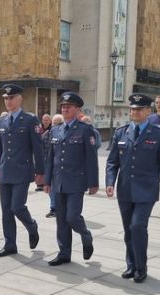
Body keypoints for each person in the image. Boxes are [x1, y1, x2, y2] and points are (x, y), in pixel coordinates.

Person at [106, 93, 160, 283]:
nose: (134, 112)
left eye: (138, 109)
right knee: (128, 230)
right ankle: (131, 265)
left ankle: (141, 267)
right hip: (125, 190)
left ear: (148, 111)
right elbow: (112, 162)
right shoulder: (121, 132)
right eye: (132, 109)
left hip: (146, 190)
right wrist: (110, 182)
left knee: (137, 226)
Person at [44, 92, 98, 265]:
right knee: (61, 220)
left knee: (72, 217)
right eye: (63, 106)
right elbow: (51, 158)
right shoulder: (55, 129)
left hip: (76, 181)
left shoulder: (84, 130)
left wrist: (93, 182)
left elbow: (91, 158)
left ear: (77, 109)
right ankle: (64, 253)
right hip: (58, 181)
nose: (65, 109)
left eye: (69, 106)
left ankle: (85, 234)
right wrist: (47, 181)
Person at [0, 84, 43, 258]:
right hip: (5, 171)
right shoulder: (2, 121)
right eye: (6, 98)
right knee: (6, 210)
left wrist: (40, 171)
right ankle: (10, 244)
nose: (8, 101)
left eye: (11, 97)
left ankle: (32, 226)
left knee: (17, 207)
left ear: (20, 99)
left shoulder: (30, 119)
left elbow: (38, 148)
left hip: (22, 171)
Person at [35, 114, 52, 192]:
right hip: (39, 152)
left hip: (48, 151)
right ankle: (39, 184)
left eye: (47, 120)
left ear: (50, 121)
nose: (45, 121)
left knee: (47, 168)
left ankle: (46, 183)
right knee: (38, 167)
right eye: (44, 120)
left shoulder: (52, 129)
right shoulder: (38, 129)